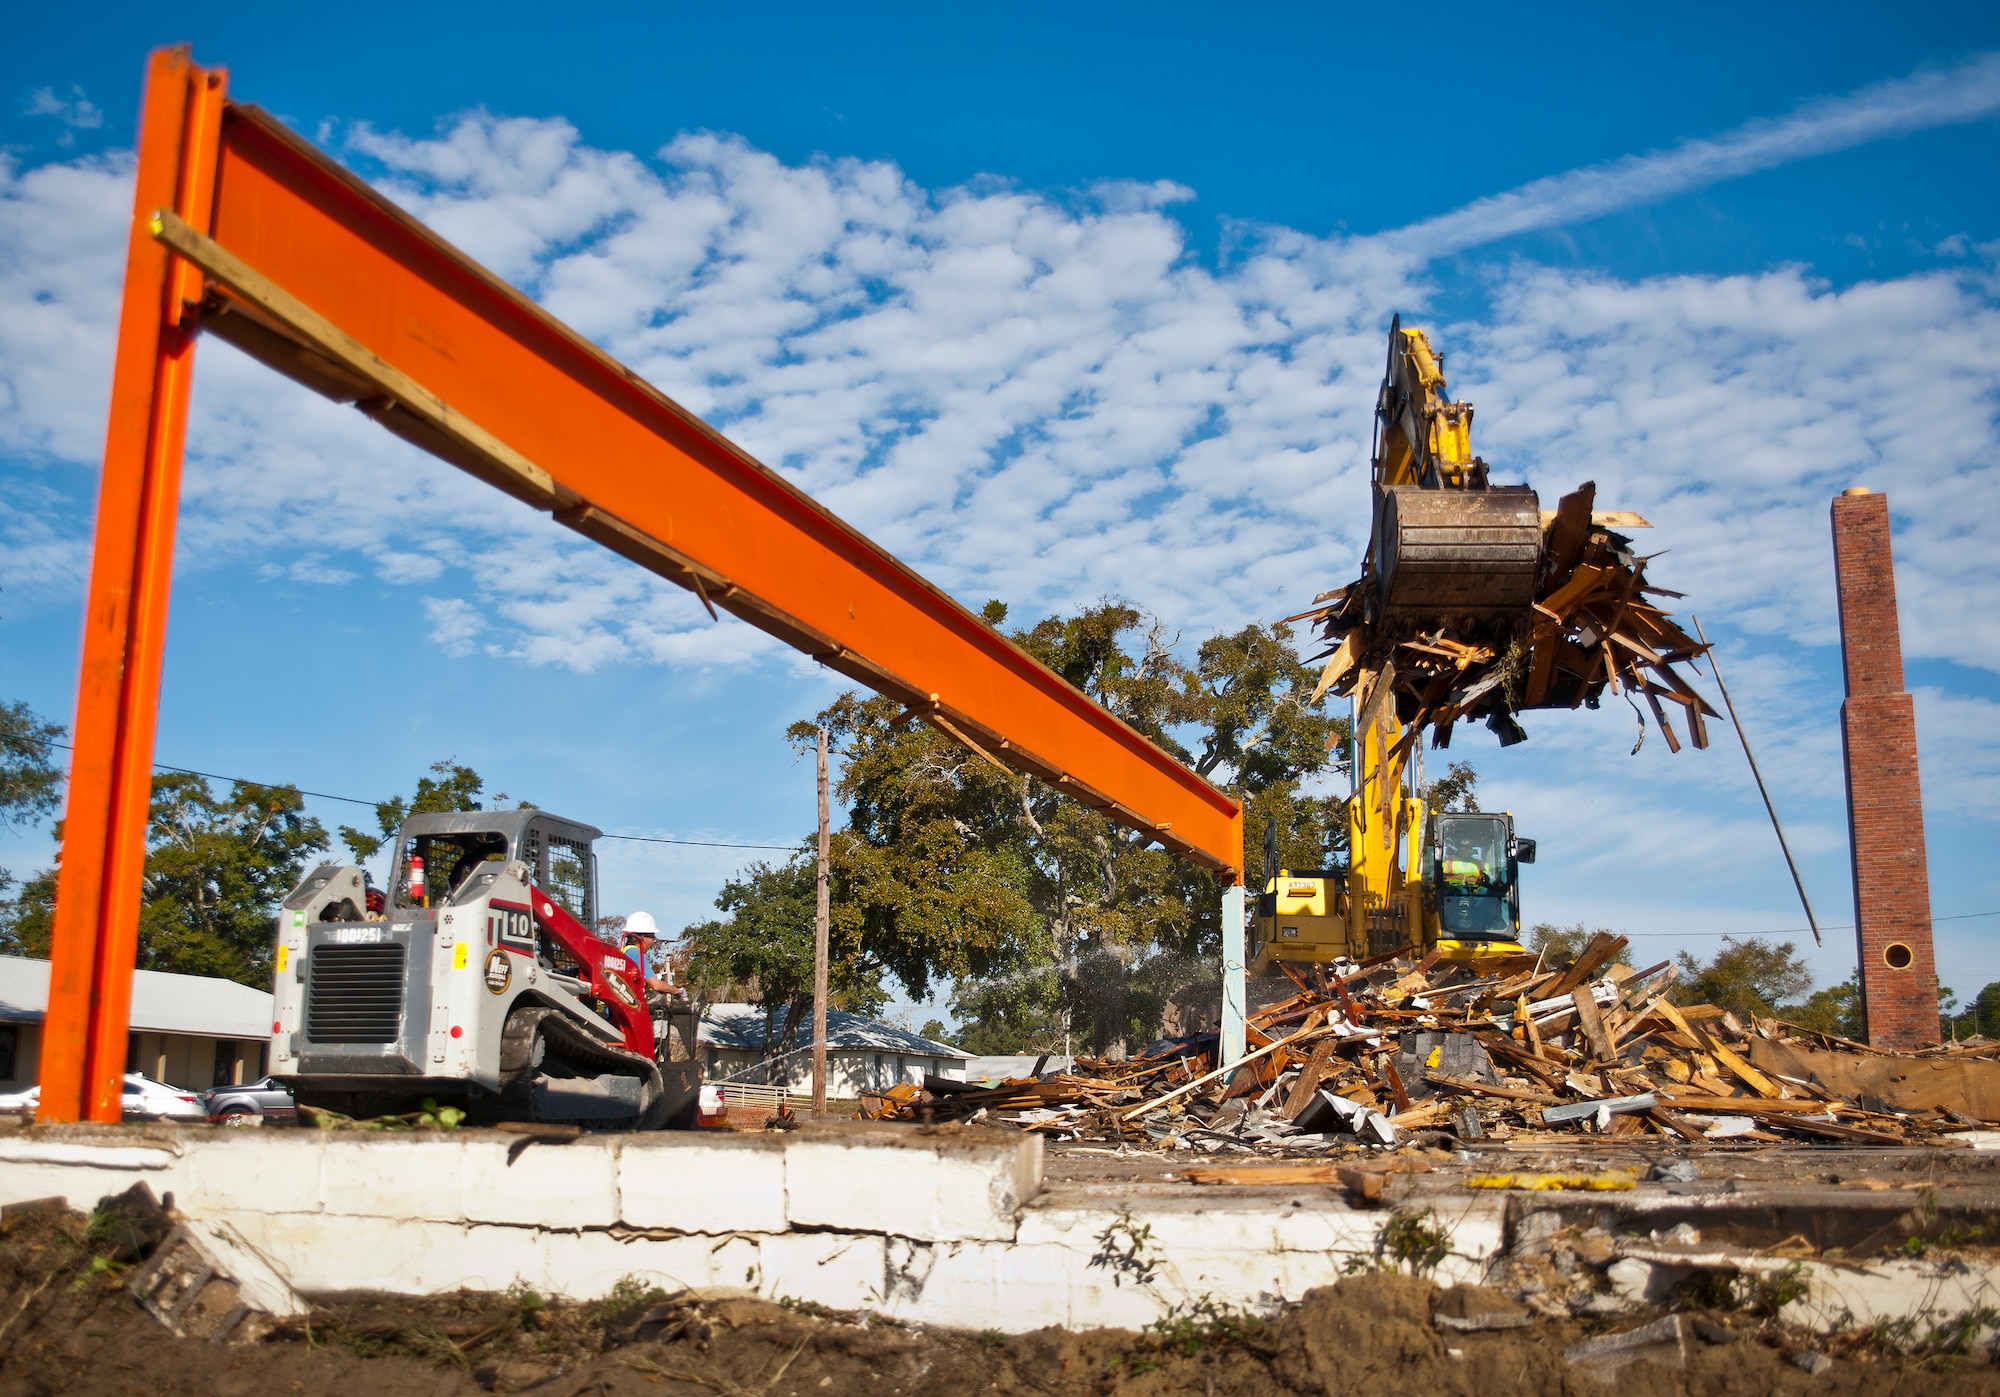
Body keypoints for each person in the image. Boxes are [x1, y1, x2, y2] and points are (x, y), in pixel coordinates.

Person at [621, 911, 679, 996]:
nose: (654, 940)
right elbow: (656, 985)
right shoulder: (635, 954)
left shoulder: (625, 951)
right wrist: (678, 991)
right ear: (644, 938)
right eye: (652, 936)